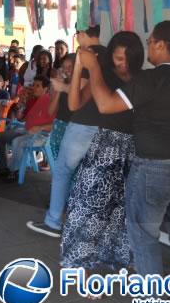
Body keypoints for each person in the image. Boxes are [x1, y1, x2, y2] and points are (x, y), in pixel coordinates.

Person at [79, 21, 170, 303]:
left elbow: (107, 105)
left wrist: (94, 68)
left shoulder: (150, 79)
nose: (148, 47)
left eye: (151, 42)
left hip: (155, 169)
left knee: (144, 238)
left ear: (162, 45)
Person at [60, 32, 144, 276]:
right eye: (118, 58)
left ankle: (118, 259)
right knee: (88, 209)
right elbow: (74, 104)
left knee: (123, 211)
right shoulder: (103, 76)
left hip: (134, 151)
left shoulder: (141, 80)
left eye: (129, 59)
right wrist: (79, 67)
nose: (123, 64)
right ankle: (79, 266)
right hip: (104, 147)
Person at [27, 25, 106, 237]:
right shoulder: (106, 56)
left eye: (77, 33)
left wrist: (62, 87)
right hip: (104, 126)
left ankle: (54, 221)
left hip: (82, 123)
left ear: (84, 34)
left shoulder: (89, 57)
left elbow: (76, 100)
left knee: (63, 171)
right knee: (85, 176)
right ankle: (81, 222)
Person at [0, 76, 54, 181]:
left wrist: (40, 127)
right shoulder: (31, 100)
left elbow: (54, 124)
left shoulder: (50, 102)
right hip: (26, 130)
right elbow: (21, 119)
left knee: (17, 141)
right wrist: (21, 105)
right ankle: (3, 168)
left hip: (42, 134)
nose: (34, 88)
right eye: (33, 85)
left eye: (37, 86)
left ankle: (14, 171)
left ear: (46, 89)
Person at [47, 53, 75, 159]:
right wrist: (59, 89)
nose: (66, 70)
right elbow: (50, 111)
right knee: (59, 165)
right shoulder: (60, 84)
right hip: (59, 126)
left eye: (70, 67)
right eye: (64, 67)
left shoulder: (82, 85)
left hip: (74, 129)